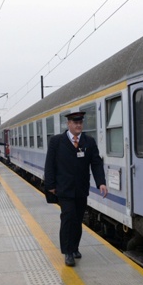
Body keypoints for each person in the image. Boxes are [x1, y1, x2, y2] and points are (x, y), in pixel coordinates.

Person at [43, 111, 108, 267]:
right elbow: (49, 164)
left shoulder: (89, 142)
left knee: (78, 220)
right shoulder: (56, 142)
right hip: (63, 190)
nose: (79, 125)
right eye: (75, 123)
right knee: (68, 218)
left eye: (80, 123)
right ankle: (68, 252)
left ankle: (75, 247)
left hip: (81, 189)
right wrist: (50, 185)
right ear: (69, 124)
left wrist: (101, 182)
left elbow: (96, 163)